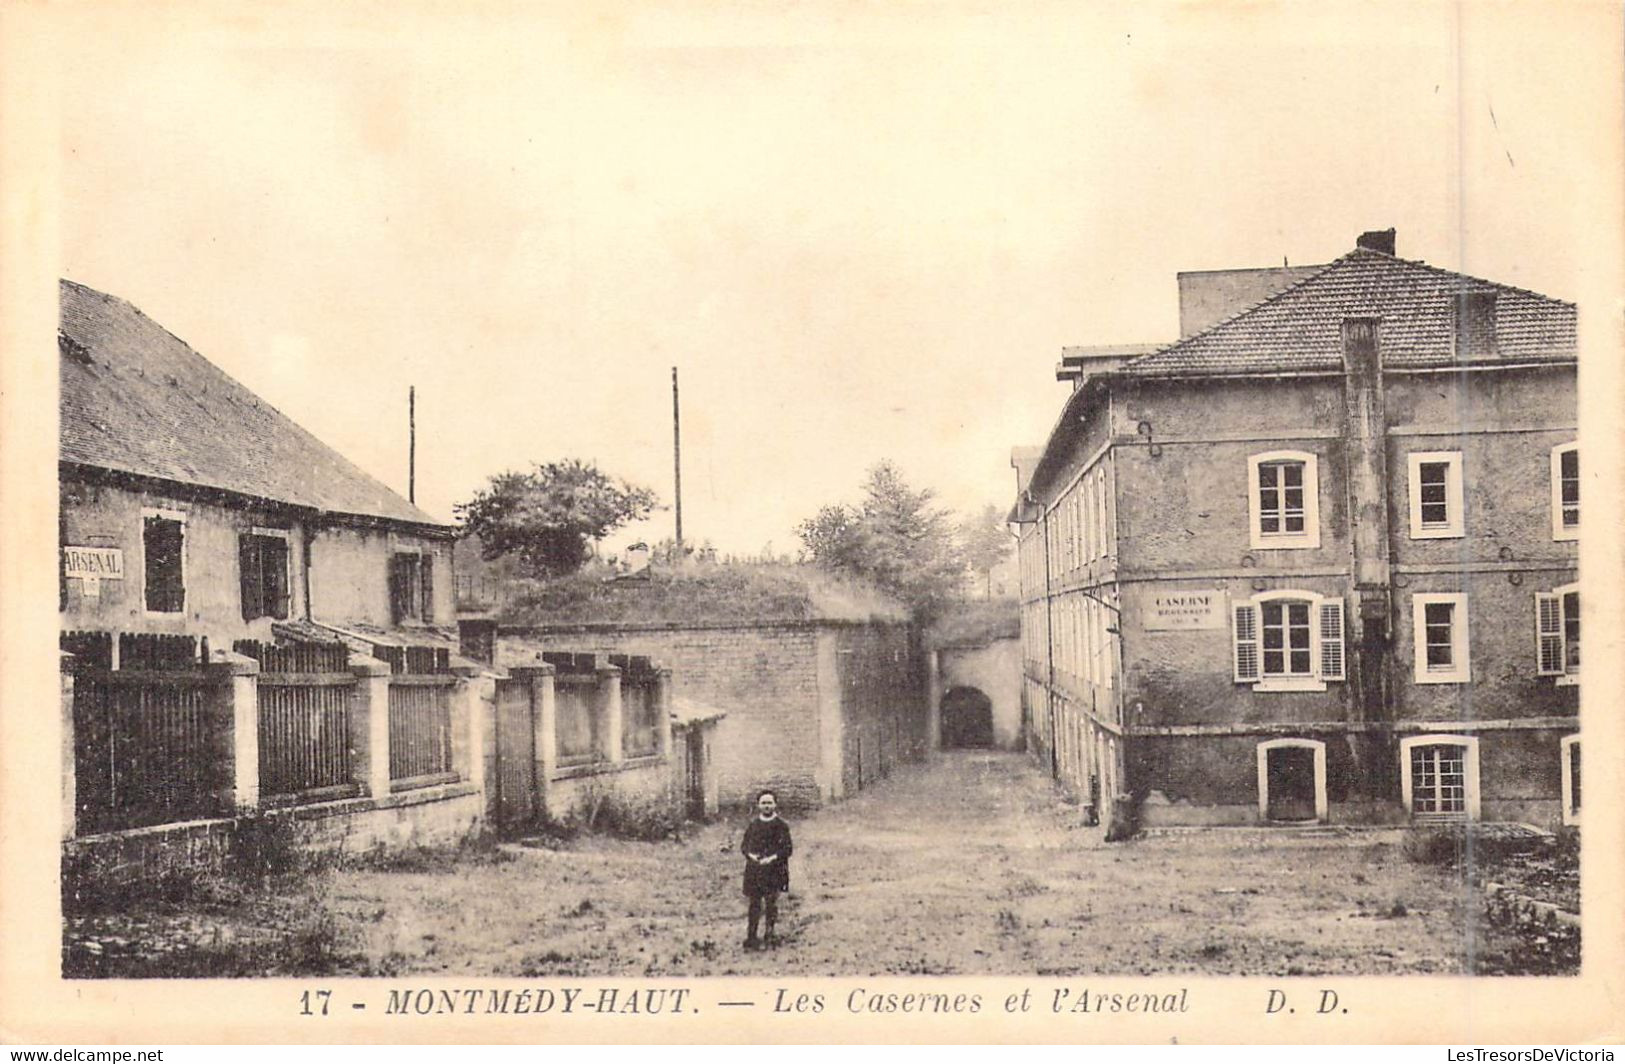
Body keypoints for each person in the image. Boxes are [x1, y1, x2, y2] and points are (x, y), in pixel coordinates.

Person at [740, 789, 793, 949]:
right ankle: (752, 936)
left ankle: (770, 933)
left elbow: (787, 849)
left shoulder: (781, 826)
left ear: (775, 804)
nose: (767, 806)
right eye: (763, 803)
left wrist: (772, 858)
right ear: (758, 805)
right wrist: (752, 856)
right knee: (754, 903)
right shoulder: (753, 825)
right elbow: (744, 846)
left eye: (770, 802)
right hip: (755, 870)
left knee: (771, 902)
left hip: (774, 870)